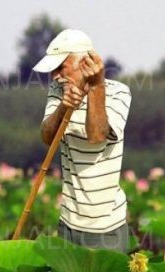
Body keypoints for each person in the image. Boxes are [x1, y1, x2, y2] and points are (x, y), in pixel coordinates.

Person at [34, 29, 132, 252]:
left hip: (107, 226)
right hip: (68, 222)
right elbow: (47, 137)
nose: (56, 76)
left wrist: (95, 87)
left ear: (85, 62)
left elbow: (97, 137)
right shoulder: (58, 91)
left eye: (61, 68)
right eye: (53, 70)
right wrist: (64, 107)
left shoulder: (119, 93)